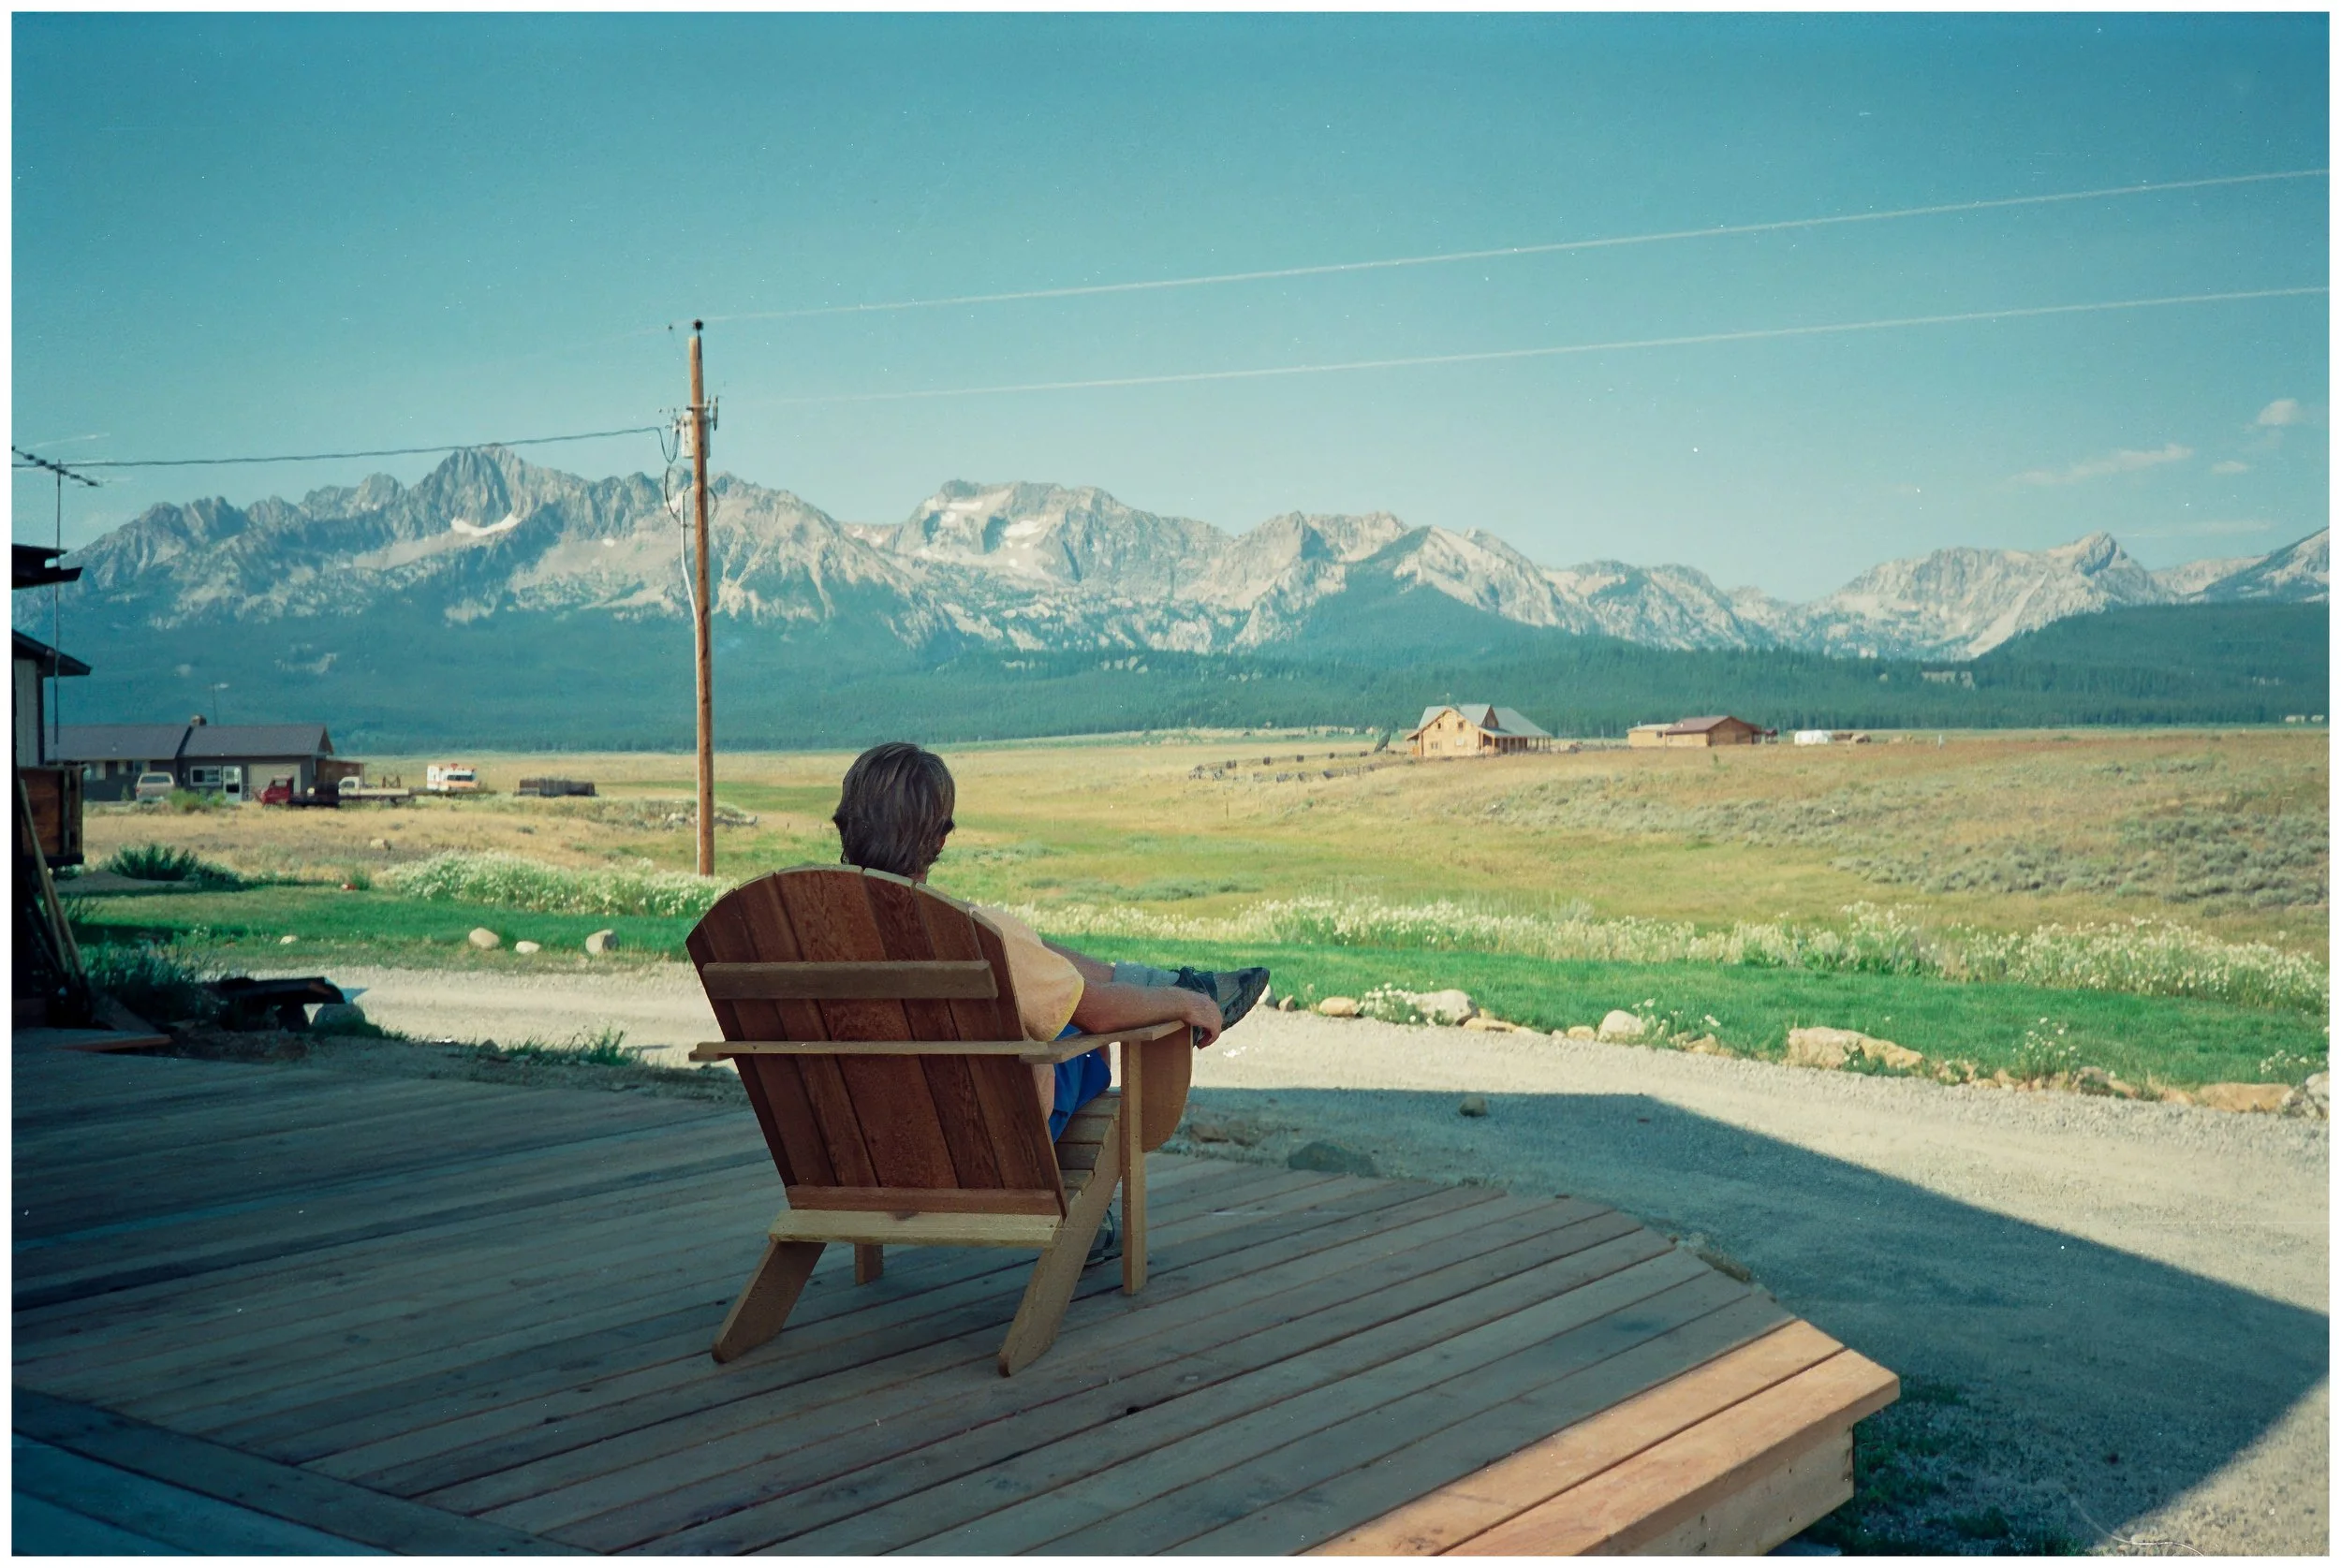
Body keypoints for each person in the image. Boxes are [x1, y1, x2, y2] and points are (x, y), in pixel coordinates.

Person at [830, 741, 1271, 1155]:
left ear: (844, 825)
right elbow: (1099, 1014)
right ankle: (1179, 987)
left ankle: (1160, 981)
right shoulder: (978, 935)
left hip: (857, 1144)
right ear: (941, 839)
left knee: (1031, 956)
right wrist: (1184, 1003)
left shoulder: (812, 931)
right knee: (1077, 1034)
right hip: (985, 1148)